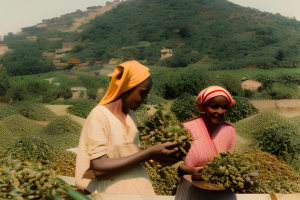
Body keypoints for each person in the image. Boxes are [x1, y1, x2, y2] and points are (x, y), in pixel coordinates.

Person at [75, 60, 179, 196]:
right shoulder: (99, 115)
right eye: (142, 93)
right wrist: (150, 153)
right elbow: (99, 167)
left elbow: (129, 156)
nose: (144, 99)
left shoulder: (130, 116)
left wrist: (158, 157)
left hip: (140, 189)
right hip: (115, 192)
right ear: (127, 87)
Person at [175, 86, 237, 200]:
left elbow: (230, 161)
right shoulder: (188, 128)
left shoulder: (229, 130)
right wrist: (191, 171)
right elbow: (175, 162)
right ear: (203, 106)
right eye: (214, 107)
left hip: (221, 192)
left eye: (224, 107)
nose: (219, 111)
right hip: (192, 191)